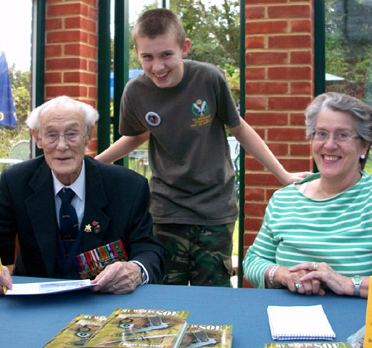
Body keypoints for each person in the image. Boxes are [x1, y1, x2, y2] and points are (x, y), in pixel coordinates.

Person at [95, 8, 308, 287]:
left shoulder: (209, 79)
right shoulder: (136, 92)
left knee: (213, 293)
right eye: (148, 57)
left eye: (166, 55)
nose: (157, 66)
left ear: (184, 48)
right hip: (165, 211)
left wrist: (284, 175)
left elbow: (239, 128)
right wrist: (93, 164)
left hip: (214, 209)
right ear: (137, 52)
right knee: (163, 295)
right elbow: (136, 136)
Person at [0, 96, 165, 295]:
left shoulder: (127, 186)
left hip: (104, 301)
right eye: (52, 135)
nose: (62, 146)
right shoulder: (17, 182)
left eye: (72, 134)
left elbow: (149, 249)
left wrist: (136, 270)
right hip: (34, 308)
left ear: (87, 136)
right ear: (38, 138)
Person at [243, 92, 372, 298]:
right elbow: (253, 261)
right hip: (284, 321)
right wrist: (282, 274)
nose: (330, 145)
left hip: (360, 326)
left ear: (364, 146)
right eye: (321, 134)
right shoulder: (284, 199)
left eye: (342, 135)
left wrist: (347, 283)